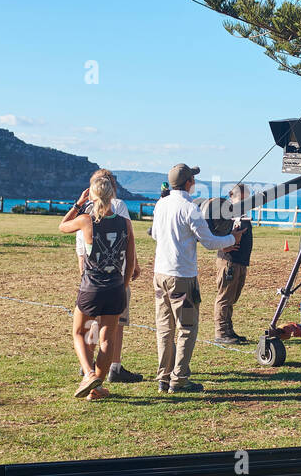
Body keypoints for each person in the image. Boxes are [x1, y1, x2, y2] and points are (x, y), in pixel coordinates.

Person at [151, 163, 239, 394]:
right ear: (190, 182)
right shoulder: (190, 208)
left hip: (160, 274)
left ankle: (163, 377)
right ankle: (179, 380)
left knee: (165, 328)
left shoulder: (161, 204)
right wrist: (232, 238)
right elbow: (210, 242)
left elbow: (156, 236)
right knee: (187, 328)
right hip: (183, 277)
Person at [62, 169, 143, 384]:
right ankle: (97, 383)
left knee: (81, 331)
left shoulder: (85, 220)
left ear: (92, 195)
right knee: (108, 338)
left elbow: (62, 227)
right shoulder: (126, 222)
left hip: (92, 285)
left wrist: (78, 204)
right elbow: (131, 259)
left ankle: (89, 374)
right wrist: (123, 285)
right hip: (116, 286)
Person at [213, 182, 253, 345]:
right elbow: (213, 233)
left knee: (232, 298)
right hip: (229, 262)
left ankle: (228, 330)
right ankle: (221, 332)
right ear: (231, 197)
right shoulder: (226, 215)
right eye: (241, 199)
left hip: (240, 262)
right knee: (225, 297)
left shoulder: (241, 215)